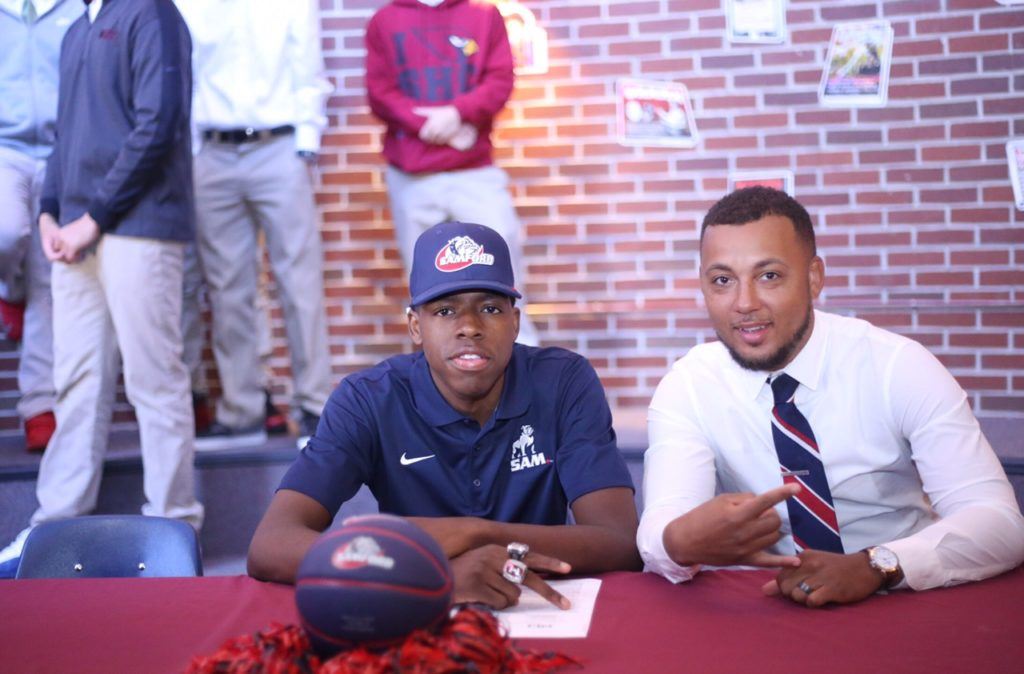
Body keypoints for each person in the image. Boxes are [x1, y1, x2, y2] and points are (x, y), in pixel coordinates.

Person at [638, 186, 1024, 607]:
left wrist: (875, 566)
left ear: (814, 277)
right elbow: (661, 527)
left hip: (897, 597)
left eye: (769, 276)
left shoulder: (897, 365)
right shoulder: (689, 385)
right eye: (723, 280)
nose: (743, 302)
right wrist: (679, 540)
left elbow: (1001, 522)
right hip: (760, 606)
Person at [248, 221, 640, 608]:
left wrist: (474, 534)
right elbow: (272, 545)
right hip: (409, 608)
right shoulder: (367, 398)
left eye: (489, 308)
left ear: (515, 322)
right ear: (415, 327)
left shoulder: (563, 381)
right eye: (445, 311)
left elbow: (621, 542)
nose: (469, 327)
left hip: (538, 604)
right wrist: (432, 576)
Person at [0, 0, 204, 578]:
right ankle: (51, 533)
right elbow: (65, 137)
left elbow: (157, 124)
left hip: (140, 227)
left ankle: (175, 530)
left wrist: (94, 217)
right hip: (76, 230)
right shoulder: (78, 29)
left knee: (154, 381)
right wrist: (47, 211)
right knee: (76, 382)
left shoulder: (153, 14)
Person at [174, 0, 335, 450]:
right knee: (228, 289)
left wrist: (306, 142)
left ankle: (316, 406)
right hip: (212, 151)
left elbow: (308, 67)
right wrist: (192, 153)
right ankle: (242, 410)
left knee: (299, 280)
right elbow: (184, 76)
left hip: (279, 147)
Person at [365, 0, 540, 346]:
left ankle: (526, 384)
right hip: (411, 177)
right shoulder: (384, 20)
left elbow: (500, 79)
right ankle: (435, 390)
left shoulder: (484, 14)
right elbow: (379, 93)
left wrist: (458, 113)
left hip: (474, 172)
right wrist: (439, 124)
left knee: (507, 282)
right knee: (426, 293)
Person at [0, 0, 81, 452]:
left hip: (58, 151)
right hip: (4, 149)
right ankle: (9, 290)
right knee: (6, 232)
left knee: (49, 278)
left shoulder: (73, 9)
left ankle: (38, 405)